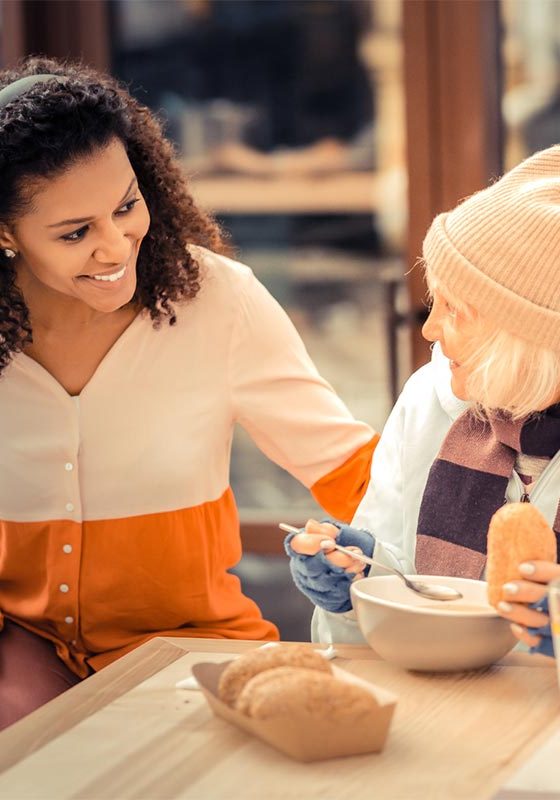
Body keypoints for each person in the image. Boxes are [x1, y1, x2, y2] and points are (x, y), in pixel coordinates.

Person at [0, 57, 379, 730]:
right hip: (21, 658)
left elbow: (351, 467)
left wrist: (433, 566)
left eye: (125, 206)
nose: (116, 245)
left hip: (191, 652)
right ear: (6, 234)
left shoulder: (218, 301)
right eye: (75, 232)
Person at [286, 144, 560, 658]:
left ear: (532, 339)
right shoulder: (429, 399)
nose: (431, 330)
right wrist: (358, 582)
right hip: (441, 710)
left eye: (456, 311)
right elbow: (405, 576)